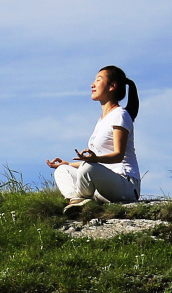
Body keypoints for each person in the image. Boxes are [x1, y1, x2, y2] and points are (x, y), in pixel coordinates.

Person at [46, 66, 140, 211]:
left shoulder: (120, 114)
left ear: (112, 86)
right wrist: (68, 164)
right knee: (62, 170)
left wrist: (94, 160)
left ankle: (81, 200)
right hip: (103, 183)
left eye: (98, 80)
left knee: (88, 167)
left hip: (125, 184)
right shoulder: (102, 120)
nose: (92, 84)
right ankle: (77, 201)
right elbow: (95, 162)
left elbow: (118, 156)